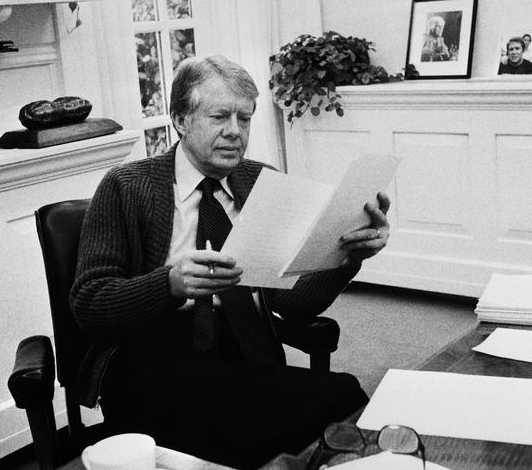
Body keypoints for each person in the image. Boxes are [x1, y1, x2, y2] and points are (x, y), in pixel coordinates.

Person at [70, 56, 391, 469]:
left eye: (245, 118)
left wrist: (346, 259)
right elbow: (88, 303)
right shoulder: (125, 186)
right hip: (150, 357)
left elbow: (291, 305)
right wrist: (169, 284)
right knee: (306, 417)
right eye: (220, 116)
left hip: (243, 350)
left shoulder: (260, 181)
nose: (235, 133)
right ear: (180, 120)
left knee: (341, 400)